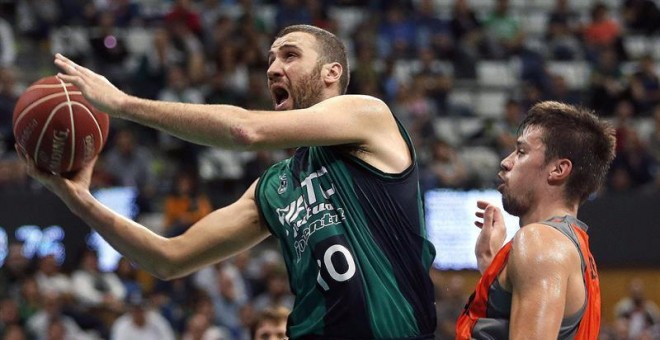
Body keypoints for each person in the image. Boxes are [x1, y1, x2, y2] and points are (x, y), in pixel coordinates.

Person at [20, 24, 437, 339]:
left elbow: (245, 131)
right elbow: (168, 258)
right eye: (271, 60)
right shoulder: (273, 187)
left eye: (290, 56)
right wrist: (79, 200)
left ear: (332, 72)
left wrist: (124, 104)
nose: (274, 67)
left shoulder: (369, 116)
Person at [455, 101, 616, 339]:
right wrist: (491, 267)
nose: (506, 162)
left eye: (521, 152)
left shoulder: (540, 242)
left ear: (558, 169)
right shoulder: (568, 247)